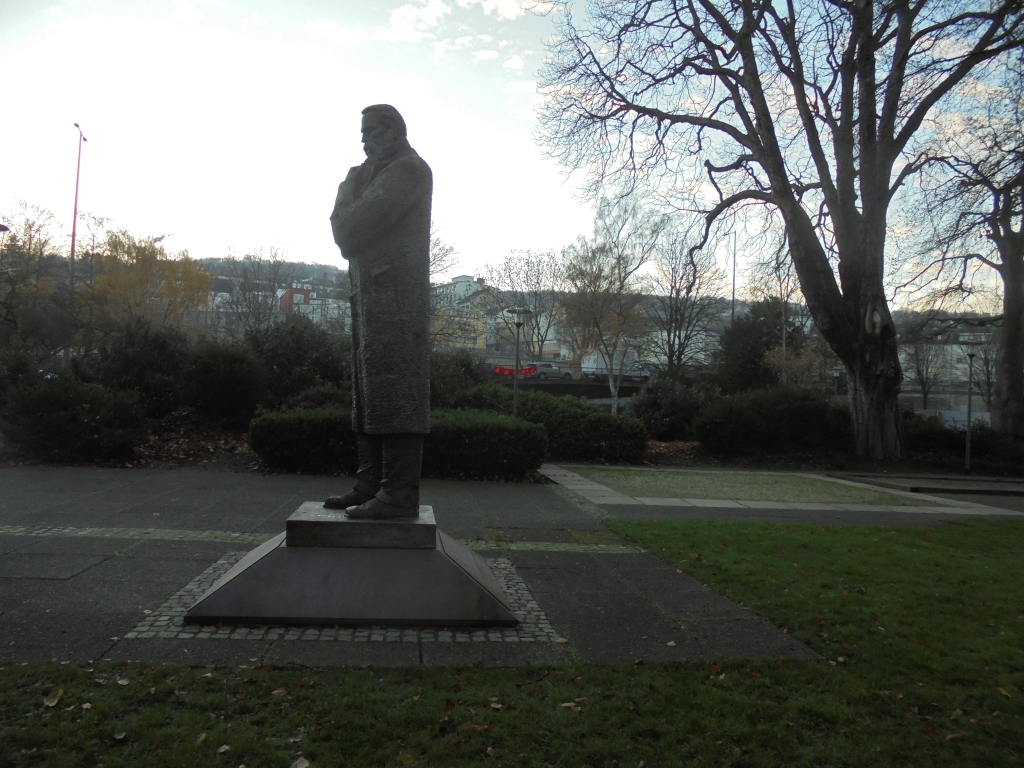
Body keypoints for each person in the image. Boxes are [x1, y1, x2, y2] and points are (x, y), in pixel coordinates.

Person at [325, 104, 432, 519]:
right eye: (363, 132)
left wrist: (345, 191)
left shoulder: (409, 171)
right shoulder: (370, 174)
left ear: (392, 131)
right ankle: (370, 483)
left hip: (398, 302)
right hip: (371, 299)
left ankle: (400, 492)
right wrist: (350, 192)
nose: (364, 140)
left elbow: (351, 230)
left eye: (370, 131)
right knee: (369, 392)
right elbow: (343, 232)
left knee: (398, 393)